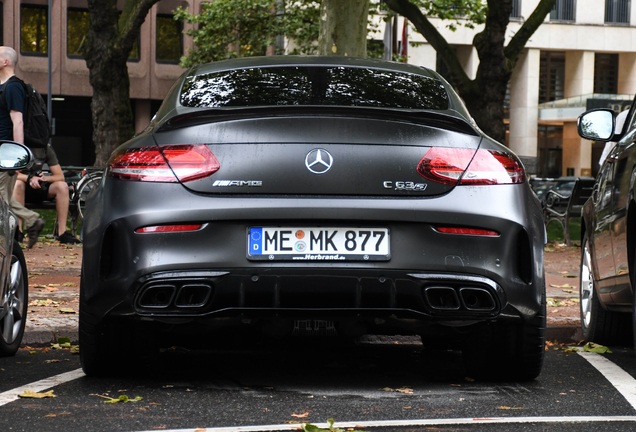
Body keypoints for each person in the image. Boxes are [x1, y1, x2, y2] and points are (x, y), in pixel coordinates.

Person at [0, 46, 44, 248]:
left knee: (2, 201)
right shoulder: (4, 87)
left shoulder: (13, 87)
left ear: (5, 62)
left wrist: (18, 156)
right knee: (3, 198)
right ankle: (32, 220)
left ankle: (8, 244)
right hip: (2, 152)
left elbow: (18, 122)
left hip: (5, 153)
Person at [12, 144, 80, 244]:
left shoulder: (45, 148)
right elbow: (10, 174)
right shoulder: (16, 146)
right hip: (21, 190)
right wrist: (30, 178)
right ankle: (19, 233)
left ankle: (62, 233)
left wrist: (43, 179)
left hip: (40, 188)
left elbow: (60, 176)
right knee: (18, 184)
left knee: (63, 186)